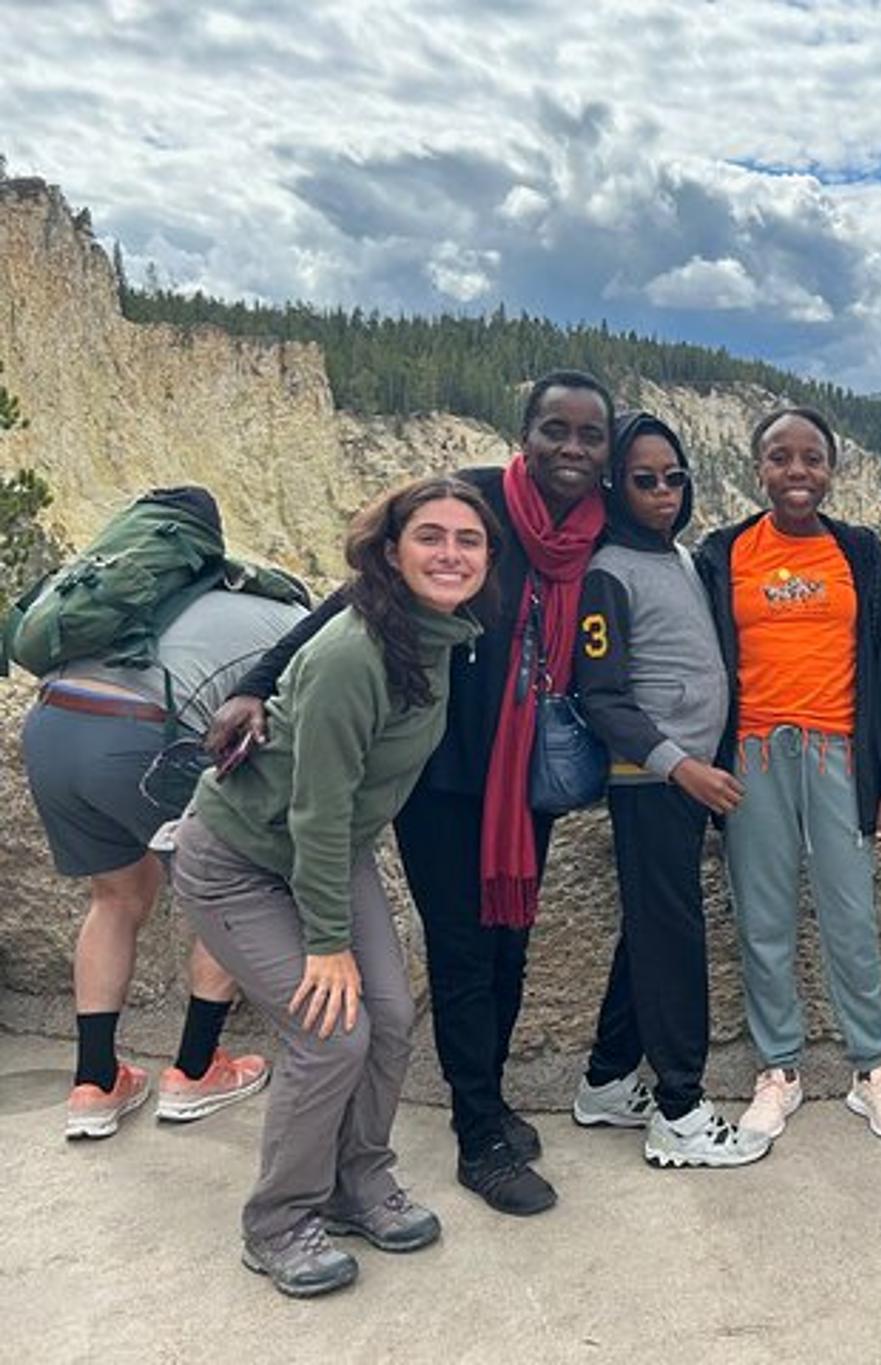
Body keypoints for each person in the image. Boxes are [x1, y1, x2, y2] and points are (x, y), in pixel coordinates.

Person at [209, 370, 614, 1215]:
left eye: (589, 435)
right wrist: (257, 680)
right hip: (440, 776)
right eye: (555, 430)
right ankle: (476, 1133)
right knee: (465, 952)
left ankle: (490, 1097)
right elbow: (358, 598)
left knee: (511, 948)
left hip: (524, 781)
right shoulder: (471, 506)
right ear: (525, 434)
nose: (572, 448)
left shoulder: (591, 529)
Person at [171, 477, 495, 1296]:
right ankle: (278, 1221)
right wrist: (326, 943)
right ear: (391, 551)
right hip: (242, 859)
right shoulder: (357, 652)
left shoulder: (435, 635)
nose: (451, 553)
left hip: (325, 851)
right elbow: (316, 808)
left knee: (387, 1015)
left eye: (469, 539)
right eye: (431, 536)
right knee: (331, 1032)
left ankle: (358, 1181)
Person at [20, 488, 303, 1141]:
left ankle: (94, 1083)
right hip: (140, 738)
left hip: (52, 725)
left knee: (116, 896)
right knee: (231, 886)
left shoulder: (113, 597)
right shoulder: (267, 606)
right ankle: (197, 1067)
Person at [697, 407, 881, 1142]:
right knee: (764, 920)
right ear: (757, 466)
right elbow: (702, 664)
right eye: (780, 457)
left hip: (839, 752)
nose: (798, 472)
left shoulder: (858, 553)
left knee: (850, 915)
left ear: (831, 467)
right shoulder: (725, 552)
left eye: (812, 458)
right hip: (753, 754)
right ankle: (779, 1069)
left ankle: (871, 1069)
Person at [570, 410, 767, 1169]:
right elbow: (602, 694)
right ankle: (680, 1111)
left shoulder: (679, 557)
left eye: (674, 478)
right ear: (615, 486)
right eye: (644, 479)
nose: (662, 491)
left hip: (690, 777)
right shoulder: (608, 572)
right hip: (650, 780)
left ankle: (608, 1079)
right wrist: (678, 764)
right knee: (674, 940)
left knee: (651, 930)